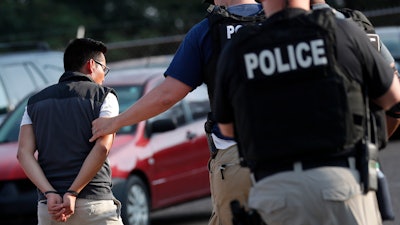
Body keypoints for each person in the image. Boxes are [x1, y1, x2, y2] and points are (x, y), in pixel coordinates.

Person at [213, 0, 400, 224]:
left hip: (276, 191)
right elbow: (393, 98)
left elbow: (228, 128)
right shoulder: (341, 31)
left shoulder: (239, 48)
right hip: (342, 184)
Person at [89, 1, 265, 225]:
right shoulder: (288, 20)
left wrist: (115, 122)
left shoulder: (207, 31)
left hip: (237, 157)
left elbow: (167, 95)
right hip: (298, 155)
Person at [17, 38, 123, 225]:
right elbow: (102, 148)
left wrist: (49, 193)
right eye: (103, 69)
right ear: (91, 65)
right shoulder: (105, 96)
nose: (104, 76)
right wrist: (72, 192)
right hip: (95, 203)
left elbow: (23, 154)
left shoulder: (34, 103)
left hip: (51, 209)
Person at [311, 0, 400, 146]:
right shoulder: (353, 25)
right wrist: (369, 149)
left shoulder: (269, 32)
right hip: (355, 158)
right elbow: (396, 106)